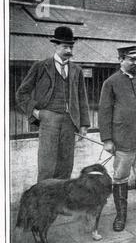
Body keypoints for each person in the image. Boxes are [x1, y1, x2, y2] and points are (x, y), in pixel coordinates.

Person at [16, 26, 90, 182]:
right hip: (48, 120)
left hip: (70, 122)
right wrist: (36, 112)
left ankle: (60, 204)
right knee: (47, 166)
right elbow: (21, 94)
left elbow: (82, 98)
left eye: (71, 46)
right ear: (55, 46)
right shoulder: (40, 66)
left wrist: (84, 125)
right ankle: (43, 204)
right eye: (65, 46)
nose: (68, 50)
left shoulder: (77, 70)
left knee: (65, 166)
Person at [98, 45, 136, 230]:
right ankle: (121, 216)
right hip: (123, 139)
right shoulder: (111, 82)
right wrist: (107, 139)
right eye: (132, 59)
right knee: (120, 177)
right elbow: (104, 112)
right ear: (121, 60)